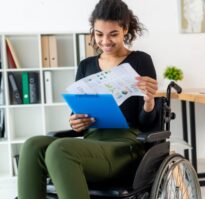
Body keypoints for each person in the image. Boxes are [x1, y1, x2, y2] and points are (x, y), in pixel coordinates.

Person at [17, 0, 158, 198]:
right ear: (93, 31)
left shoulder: (140, 60)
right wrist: (76, 122)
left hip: (124, 147)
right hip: (91, 144)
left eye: (113, 34)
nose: (105, 41)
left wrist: (149, 101)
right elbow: (78, 118)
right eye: (99, 34)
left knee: (60, 148)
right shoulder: (86, 65)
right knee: (32, 145)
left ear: (125, 29)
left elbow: (148, 124)